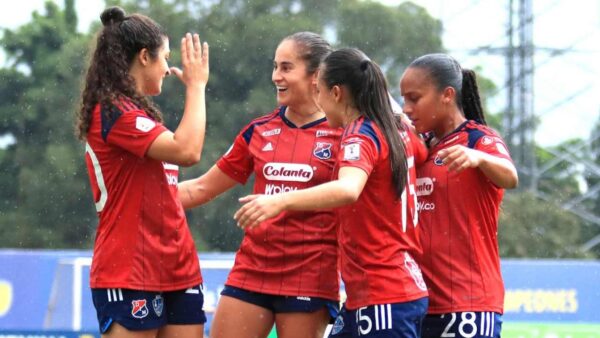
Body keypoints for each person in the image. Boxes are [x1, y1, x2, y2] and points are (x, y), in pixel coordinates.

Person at [234, 48, 429, 338]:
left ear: (336, 93)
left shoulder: (360, 134)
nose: (319, 103)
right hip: (389, 290)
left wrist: (279, 201)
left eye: (320, 93)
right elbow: (423, 153)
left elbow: (348, 189)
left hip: (383, 294)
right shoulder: (398, 129)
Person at [178, 32, 340, 338]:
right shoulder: (259, 131)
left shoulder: (345, 134)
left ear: (315, 75)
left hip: (310, 275)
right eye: (275, 66)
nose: (276, 76)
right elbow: (200, 189)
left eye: (286, 67)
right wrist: (138, 201)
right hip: (252, 271)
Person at [75, 6, 209, 338]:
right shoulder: (112, 111)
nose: (168, 68)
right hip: (130, 269)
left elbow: (170, 195)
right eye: (165, 57)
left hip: (179, 267)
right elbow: (188, 150)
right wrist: (197, 86)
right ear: (145, 57)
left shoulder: (140, 115)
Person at [399, 53, 518, 338]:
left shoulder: (478, 139)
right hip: (420, 302)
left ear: (447, 95)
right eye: (403, 99)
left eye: (414, 98)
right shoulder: (420, 146)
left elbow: (510, 176)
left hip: (469, 304)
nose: (407, 108)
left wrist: (478, 158)